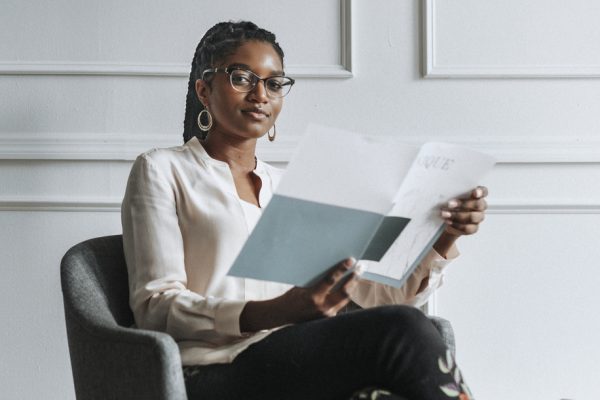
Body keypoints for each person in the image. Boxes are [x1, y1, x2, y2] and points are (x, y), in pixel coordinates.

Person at [121, 21, 488, 400]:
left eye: (274, 83)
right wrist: (274, 311)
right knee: (403, 329)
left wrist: (445, 236)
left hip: (296, 361)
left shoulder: (290, 188)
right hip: (213, 368)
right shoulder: (162, 170)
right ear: (204, 88)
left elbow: (373, 297)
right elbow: (155, 306)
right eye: (242, 78)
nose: (260, 94)